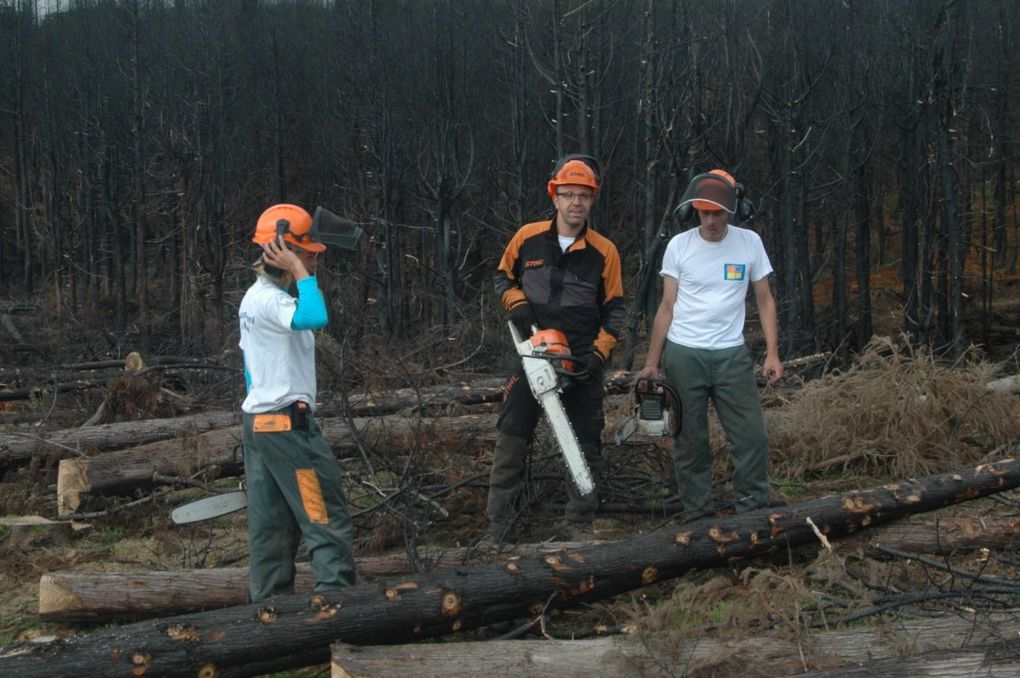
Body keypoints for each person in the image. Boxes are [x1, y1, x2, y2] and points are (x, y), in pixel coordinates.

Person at [484, 155, 626, 544]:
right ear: (555, 196)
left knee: (585, 441)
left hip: (581, 356)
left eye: (583, 196)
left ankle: (580, 525)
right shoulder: (527, 238)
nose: (575, 203)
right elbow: (502, 276)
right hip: (532, 352)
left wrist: (598, 353)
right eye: (568, 195)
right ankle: (499, 526)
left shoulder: (604, 251)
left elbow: (615, 309)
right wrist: (516, 303)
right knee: (511, 437)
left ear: (592, 200)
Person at [637, 169, 783, 521]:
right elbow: (667, 305)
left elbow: (764, 300)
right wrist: (652, 361)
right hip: (684, 353)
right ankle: (698, 514)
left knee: (751, 436)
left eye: (718, 212)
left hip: (731, 353)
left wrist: (773, 353)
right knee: (690, 439)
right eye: (705, 212)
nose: (712, 220)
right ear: (694, 212)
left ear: (732, 210)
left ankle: (753, 510)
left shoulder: (749, 243)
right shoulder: (679, 246)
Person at [239, 203, 356, 602]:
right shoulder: (271, 301)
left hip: (260, 425)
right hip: (286, 427)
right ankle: (336, 602)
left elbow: (251, 370)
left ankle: (270, 611)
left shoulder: (256, 300)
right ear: (283, 251)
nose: (313, 260)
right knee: (323, 512)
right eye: (307, 253)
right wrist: (301, 271)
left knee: (271, 525)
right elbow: (314, 316)